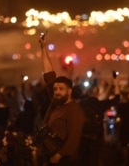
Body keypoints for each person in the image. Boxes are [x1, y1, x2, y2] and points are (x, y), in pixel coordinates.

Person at [36, 32, 85, 166]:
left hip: (64, 161)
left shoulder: (74, 111)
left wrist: (59, 155)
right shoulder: (56, 102)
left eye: (61, 89)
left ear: (69, 91)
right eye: (55, 89)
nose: (57, 92)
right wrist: (43, 48)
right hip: (48, 156)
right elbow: (49, 75)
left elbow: (73, 139)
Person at [77, 75, 120, 166]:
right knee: (95, 160)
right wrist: (115, 83)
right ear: (98, 92)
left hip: (81, 137)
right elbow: (117, 99)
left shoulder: (80, 104)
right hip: (96, 138)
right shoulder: (100, 105)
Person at [117, 92, 129, 166]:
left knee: (124, 145)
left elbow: (118, 114)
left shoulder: (120, 106)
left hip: (123, 126)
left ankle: (126, 162)